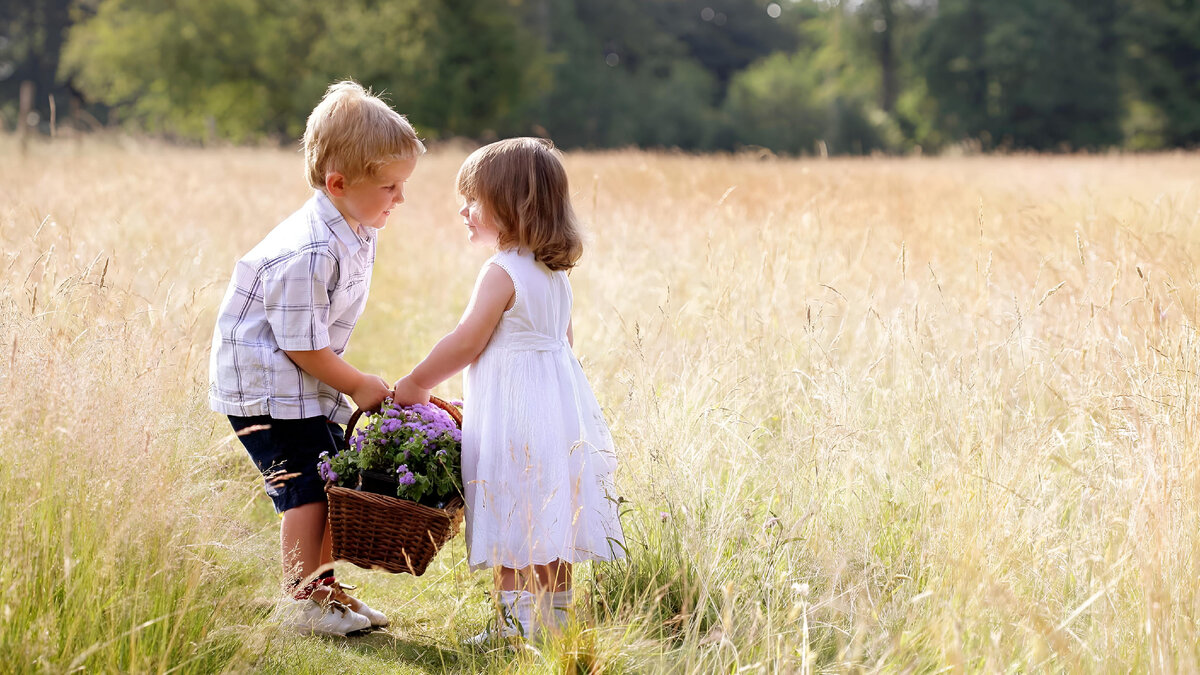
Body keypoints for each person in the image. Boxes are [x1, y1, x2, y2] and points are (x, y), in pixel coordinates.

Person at [209, 80, 423, 636]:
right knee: (305, 490)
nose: (400, 198)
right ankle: (301, 601)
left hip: (299, 385)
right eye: (391, 187)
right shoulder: (311, 249)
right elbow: (300, 343)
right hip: (266, 388)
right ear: (338, 183)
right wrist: (355, 383)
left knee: (332, 485)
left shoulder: (356, 225)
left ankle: (323, 589)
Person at [392, 137, 626, 643]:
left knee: (510, 506)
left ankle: (515, 628)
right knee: (549, 512)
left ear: (511, 205)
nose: (464, 210)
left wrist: (415, 383)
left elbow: (465, 343)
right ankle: (553, 621)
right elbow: (563, 344)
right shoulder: (553, 276)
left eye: (473, 200)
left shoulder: (501, 272)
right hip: (557, 415)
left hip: (514, 417)